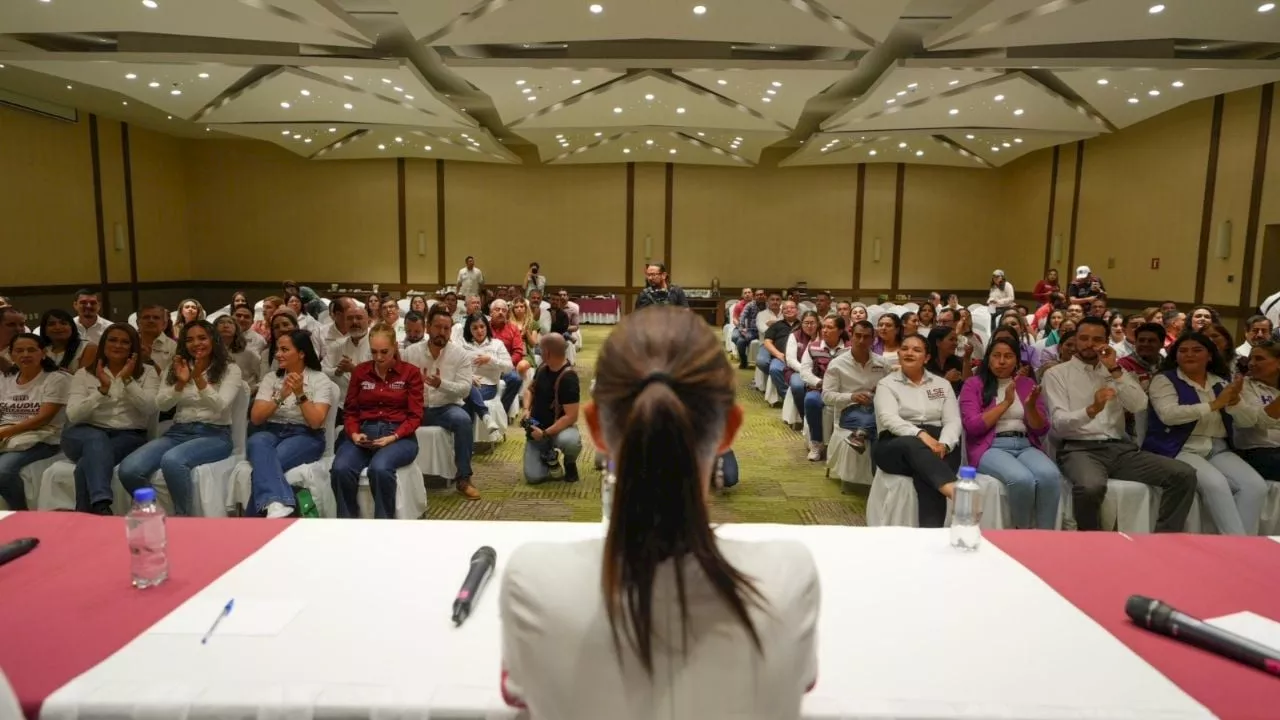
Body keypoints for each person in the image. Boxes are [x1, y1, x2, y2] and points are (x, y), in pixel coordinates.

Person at [499, 306, 818, 718]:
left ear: (596, 429)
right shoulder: (790, 576)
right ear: (729, 430)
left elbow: (519, 695)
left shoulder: (532, 578)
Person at [1042, 317, 1196, 532]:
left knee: (1183, 474)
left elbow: (1139, 404)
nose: (1089, 344)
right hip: (1079, 449)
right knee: (1090, 487)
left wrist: (1114, 369)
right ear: (1075, 340)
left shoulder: (1116, 371)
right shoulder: (1057, 374)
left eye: (1096, 339)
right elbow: (1059, 424)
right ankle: (1090, 543)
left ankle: (1164, 539)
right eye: (1083, 338)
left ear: (1106, 342)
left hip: (1120, 449)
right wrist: (1091, 410)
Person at [1143, 333, 1265, 535]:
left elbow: (1247, 421)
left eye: (1197, 350)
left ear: (1209, 356)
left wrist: (1235, 404)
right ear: (1176, 355)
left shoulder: (1221, 382)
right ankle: (1239, 548)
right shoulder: (1164, 380)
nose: (1189, 354)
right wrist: (1214, 404)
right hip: (1179, 447)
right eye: (1183, 350)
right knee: (1217, 486)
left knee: (1256, 487)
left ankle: (1239, 544)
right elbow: (1169, 415)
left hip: (1217, 447)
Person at [118, 321, 243, 517]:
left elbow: (220, 405)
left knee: (172, 460)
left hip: (214, 434)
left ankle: (183, 519)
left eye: (202, 338)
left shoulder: (230, 369)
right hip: (178, 432)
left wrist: (198, 379)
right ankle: (153, 514)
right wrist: (180, 384)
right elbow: (161, 404)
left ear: (213, 340)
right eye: (190, 340)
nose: (196, 344)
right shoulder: (175, 366)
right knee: (128, 470)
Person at [959, 338, 1058, 529]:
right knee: (1021, 479)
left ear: (1016, 361)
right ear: (988, 359)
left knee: (1050, 476)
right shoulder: (974, 384)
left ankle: (1047, 536)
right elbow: (973, 426)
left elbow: (1041, 428)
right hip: (991, 446)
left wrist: (1030, 407)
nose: (1002, 361)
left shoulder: (1026, 383)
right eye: (996, 356)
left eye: (1008, 356)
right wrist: (1005, 403)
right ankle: (1023, 533)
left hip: (1024, 444)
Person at [62, 324, 158, 515]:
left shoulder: (147, 372)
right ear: (103, 344)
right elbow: (73, 415)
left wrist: (127, 380)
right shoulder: (84, 374)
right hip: (82, 433)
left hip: (128, 436)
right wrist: (102, 390)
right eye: (113, 340)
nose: (118, 345)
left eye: (125, 342)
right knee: (95, 439)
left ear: (133, 347)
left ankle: (90, 512)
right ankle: (102, 504)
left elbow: (150, 409)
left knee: (84, 466)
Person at [331, 324, 423, 519]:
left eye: (384, 352)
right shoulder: (360, 372)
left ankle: (383, 525)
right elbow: (350, 411)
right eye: (374, 352)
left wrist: (393, 437)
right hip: (364, 433)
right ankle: (347, 524)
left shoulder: (410, 373)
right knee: (341, 469)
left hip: (399, 436)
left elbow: (415, 416)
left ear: (395, 347)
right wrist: (354, 433)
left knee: (380, 469)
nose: (379, 357)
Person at [872, 334, 962, 528]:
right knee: (913, 445)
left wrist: (944, 443)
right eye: (905, 348)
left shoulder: (942, 385)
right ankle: (957, 493)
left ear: (927, 357)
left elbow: (953, 420)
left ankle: (931, 534)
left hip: (938, 443)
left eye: (916, 350)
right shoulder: (887, 384)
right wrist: (921, 435)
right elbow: (889, 419)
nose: (909, 353)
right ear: (898, 353)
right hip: (895, 444)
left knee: (927, 471)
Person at [247, 331, 337, 519]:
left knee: (267, 465)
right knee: (256, 440)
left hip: (306, 435)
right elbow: (256, 418)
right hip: (271, 430)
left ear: (302, 353)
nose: (278, 354)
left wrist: (299, 393)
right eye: (278, 349)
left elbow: (315, 422)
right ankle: (277, 504)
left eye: (285, 349)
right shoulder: (272, 378)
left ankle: (255, 521)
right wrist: (280, 397)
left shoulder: (320, 380)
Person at [405, 306, 479, 500]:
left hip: (446, 408)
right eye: (438, 327)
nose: (442, 333)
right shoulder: (410, 353)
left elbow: (465, 389)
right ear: (428, 327)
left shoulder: (460, 354)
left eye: (447, 329)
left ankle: (464, 478)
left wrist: (441, 384)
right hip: (416, 407)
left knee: (463, 421)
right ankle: (397, 473)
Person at [0, 334, 70, 511]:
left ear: (43, 353)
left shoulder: (56, 379)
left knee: (3, 472)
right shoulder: (5, 379)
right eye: (19, 350)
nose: (25, 354)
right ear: (11, 355)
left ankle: (21, 515)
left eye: (31, 350)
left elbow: (43, 418)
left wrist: (3, 433)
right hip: (7, 434)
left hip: (43, 438)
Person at [521, 334, 582, 484]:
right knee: (534, 477)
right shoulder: (543, 367)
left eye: (540, 349)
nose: (538, 352)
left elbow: (571, 417)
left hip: (557, 430)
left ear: (547, 352)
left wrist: (545, 433)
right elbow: (530, 390)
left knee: (571, 441)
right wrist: (526, 410)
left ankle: (569, 462)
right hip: (536, 429)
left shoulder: (569, 378)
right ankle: (548, 455)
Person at [822, 319, 889, 454]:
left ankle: (860, 435)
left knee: (881, 422)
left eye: (866, 337)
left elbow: (892, 389)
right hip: (849, 409)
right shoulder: (837, 364)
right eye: (858, 336)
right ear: (851, 336)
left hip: (877, 407)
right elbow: (826, 397)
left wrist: (882, 390)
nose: (861, 341)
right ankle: (877, 470)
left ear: (873, 339)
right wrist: (852, 396)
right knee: (879, 428)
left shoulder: (882, 363)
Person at [798, 316, 851, 461]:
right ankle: (816, 443)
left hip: (844, 388)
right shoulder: (813, 347)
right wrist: (819, 382)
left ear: (840, 331)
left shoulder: (850, 348)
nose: (825, 330)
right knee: (811, 401)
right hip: (820, 387)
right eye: (823, 327)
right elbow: (805, 371)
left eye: (830, 327)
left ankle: (845, 445)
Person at [462, 312, 511, 441]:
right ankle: (486, 416)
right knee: (467, 390)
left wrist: (490, 360)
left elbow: (509, 367)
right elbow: (456, 367)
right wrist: (470, 377)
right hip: (467, 382)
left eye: (482, 326)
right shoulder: (463, 345)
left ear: (487, 327)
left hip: (488, 386)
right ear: (469, 329)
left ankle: (465, 441)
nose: (479, 331)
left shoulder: (496, 344)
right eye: (475, 328)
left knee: (466, 397)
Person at [1234, 341, 1280, 479]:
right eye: (1250, 359)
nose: (1251, 364)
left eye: (1259, 359)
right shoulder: (1243, 386)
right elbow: (1260, 422)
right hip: (1256, 451)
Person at [487, 299, 526, 415]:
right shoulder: (483, 327)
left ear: (507, 314)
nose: (500, 312)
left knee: (516, 379)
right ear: (490, 313)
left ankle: (502, 412)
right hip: (486, 365)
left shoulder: (513, 329)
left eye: (504, 310)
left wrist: (505, 365)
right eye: (497, 310)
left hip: (505, 367)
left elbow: (518, 352)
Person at [761, 300, 800, 406]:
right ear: (782, 312)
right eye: (785, 308)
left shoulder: (803, 325)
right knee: (774, 369)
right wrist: (778, 354)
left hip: (799, 358)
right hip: (781, 357)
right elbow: (767, 342)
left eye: (792, 307)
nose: (789, 310)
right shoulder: (776, 325)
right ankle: (787, 396)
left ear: (797, 310)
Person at [783, 311, 820, 420]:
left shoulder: (822, 335)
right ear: (801, 323)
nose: (809, 326)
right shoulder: (794, 336)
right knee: (797, 386)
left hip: (820, 370)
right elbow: (790, 360)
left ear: (818, 323)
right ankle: (804, 415)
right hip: (796, 371)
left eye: (812, 323)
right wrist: (806, 372)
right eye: (806, 323)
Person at [924, 326, 971, 395]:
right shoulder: (924, 363)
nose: (956, 343)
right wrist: (946, 380)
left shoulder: (957, 362)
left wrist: (967, 359)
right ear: (938, 342)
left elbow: (968, 386)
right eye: (951, 339)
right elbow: (926, 394)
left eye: (956, 340)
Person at [1118, 322, 1166, 390]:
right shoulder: (1123, 365)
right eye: (1141, 340)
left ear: (1162, 344)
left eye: (1151, 341)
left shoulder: (1167, 365)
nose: (1145, 344)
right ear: (1135, 342)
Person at [137, 304, 177, 375]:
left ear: (164, 324)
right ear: (138, 323)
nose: (151, 320)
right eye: (146, 317)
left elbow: (172, 380)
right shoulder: (128, 343)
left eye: (156, 318)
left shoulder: (173, 347)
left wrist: (150, 360)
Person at [733, 289, 767, 370]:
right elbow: (742, 317)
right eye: (758, 295)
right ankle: (743, 361)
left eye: (761, 294)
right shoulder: (750, 305)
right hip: (752, 330)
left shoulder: (768, 305)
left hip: (765, 331)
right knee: (740, 342)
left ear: (764, 296)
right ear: (755, 297)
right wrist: (742, 329)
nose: (760, 296)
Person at [0, 307, 25, 374]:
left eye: (22, 325)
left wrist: (9, 368)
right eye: (11, 325)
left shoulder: (30, 350)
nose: (18, 329)